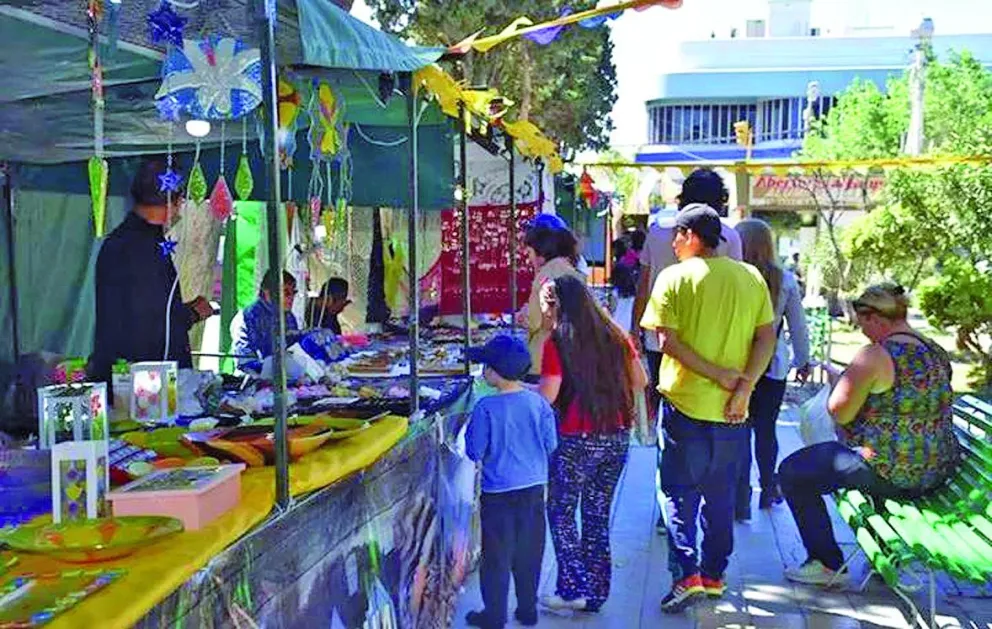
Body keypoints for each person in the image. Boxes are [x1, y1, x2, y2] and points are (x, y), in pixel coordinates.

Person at [639, 205, 777, 613]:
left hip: (685, 405)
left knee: (678, 493)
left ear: (691, 236)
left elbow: (669, 343)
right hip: (734, 411)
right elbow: (766, 337)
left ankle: (687, 576)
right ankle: (714, 575)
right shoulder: (750, 277)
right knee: (720, 496)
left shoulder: (673, 278)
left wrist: (719, 376)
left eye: (677, 237)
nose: (674, 245)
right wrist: (744, 386)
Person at [778, 284, 959, 585]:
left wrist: (842, 383)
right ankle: (884, 552)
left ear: (874, 317)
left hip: (891, 471)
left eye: (862, 324)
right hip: (936, 469)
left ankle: (826, 563)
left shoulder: (875, 355)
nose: (863, 332)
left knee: (792, 472)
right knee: (844, 463)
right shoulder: (935, 351)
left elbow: (840, 412)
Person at [538, 275, 648, 614]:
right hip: (616, 436)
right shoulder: (615, 336)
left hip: (576, 439)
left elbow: (548, 396)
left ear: (556, 305)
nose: (542, 313)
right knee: (598, 514)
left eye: (544, 306)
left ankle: (572, 587)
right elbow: (641, 380)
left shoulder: (558, 341)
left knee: (561, 511)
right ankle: (595, 591)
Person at [90, 159, 213, 393]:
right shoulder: (141, 249)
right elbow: (150, 323)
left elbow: (143, 308)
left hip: (130, 377)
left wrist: (183, 310)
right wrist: (193, 313)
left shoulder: (123, 242)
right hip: (143, 388)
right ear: (173, 201)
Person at [464, 335, 558, 629]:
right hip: (533, 490)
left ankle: (494, 615)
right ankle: (528, 610)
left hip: (497, 495)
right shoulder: (539, 404)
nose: (482, 371)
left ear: (494, 372)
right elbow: (551, 444)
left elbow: (474, 451)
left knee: (496, 556)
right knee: (529, 552)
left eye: (485, 366)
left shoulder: (485, 408)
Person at [633, 168, 744, 413]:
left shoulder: (658, 232)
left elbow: (644, 284)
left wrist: (635, 328)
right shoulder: (730, 238)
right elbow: (735, 287)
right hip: (710, 338)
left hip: (659, 335)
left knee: (665, 403)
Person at [733, 220, 812, 521]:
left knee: (738, 430)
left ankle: (740, 499)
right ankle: (768, 488)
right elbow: (798, 325)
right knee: (765, 430)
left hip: (737, 365)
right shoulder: (786, 280)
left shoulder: (734, 277)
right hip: (772, 365)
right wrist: (803, 360)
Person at [518, 216, 584, 377]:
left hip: (544, 357)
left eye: (530, 253)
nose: (529, 259)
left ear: (541, 251)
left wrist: (523, 316)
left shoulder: (544, 276)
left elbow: (535, 321)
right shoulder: (571, 271)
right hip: (569, 353)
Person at [234, 269, 300, 372]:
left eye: (294, 292)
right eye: (286, 293)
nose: (291, 297)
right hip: (254, 382)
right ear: (268, 292)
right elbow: (245, 361)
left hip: (287, 380)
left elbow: (295, 352)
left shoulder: (289, 317)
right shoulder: (248, 317)